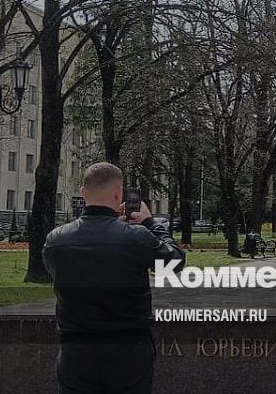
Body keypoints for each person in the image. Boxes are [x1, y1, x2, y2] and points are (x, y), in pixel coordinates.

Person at [43, 162, 185, 394]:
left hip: (76, 351)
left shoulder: (56, 239)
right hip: (128, 350)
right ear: (119, 194)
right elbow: (174, 262)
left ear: (83, 193)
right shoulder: (135, 237)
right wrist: (151, 224)